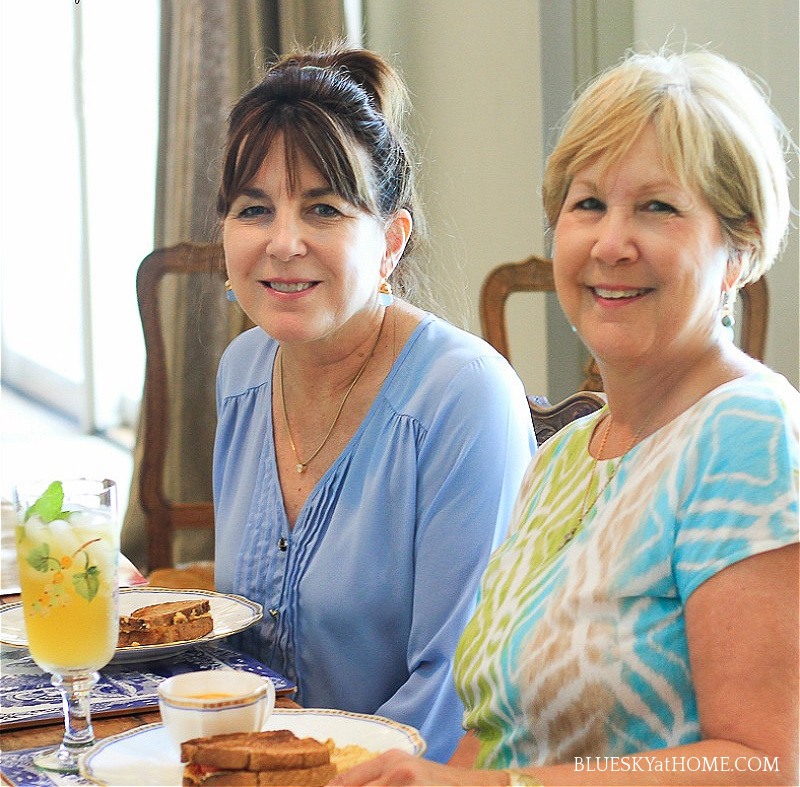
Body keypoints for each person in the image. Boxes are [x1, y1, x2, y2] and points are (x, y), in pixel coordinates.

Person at [333, 47, 799, 786]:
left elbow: (765, 765)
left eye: (658, 207)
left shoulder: (748, 432)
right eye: (588, 205)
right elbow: (496, 736)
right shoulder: (564, 459)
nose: (611, 243)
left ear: (737, 251)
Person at [211, 45, 536, 764]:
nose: (283, 241)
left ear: (391, 240)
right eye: (253, 209)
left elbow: (458, 690)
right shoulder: (241, 373)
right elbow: (244, 644)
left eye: (323, 208)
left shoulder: (463, 397)